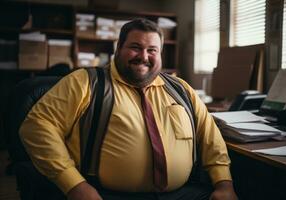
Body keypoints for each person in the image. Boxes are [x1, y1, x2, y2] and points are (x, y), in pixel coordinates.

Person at [19, 18, 238, 200]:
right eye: (135, 47)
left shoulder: (181, 90)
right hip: (104, 194)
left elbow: (210, 138)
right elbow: (37, 126)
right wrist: (75, 185)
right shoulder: (86, 82)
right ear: (119, 49)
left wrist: (224, 183)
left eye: (152, 50)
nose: (144, 56)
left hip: (180, 194)